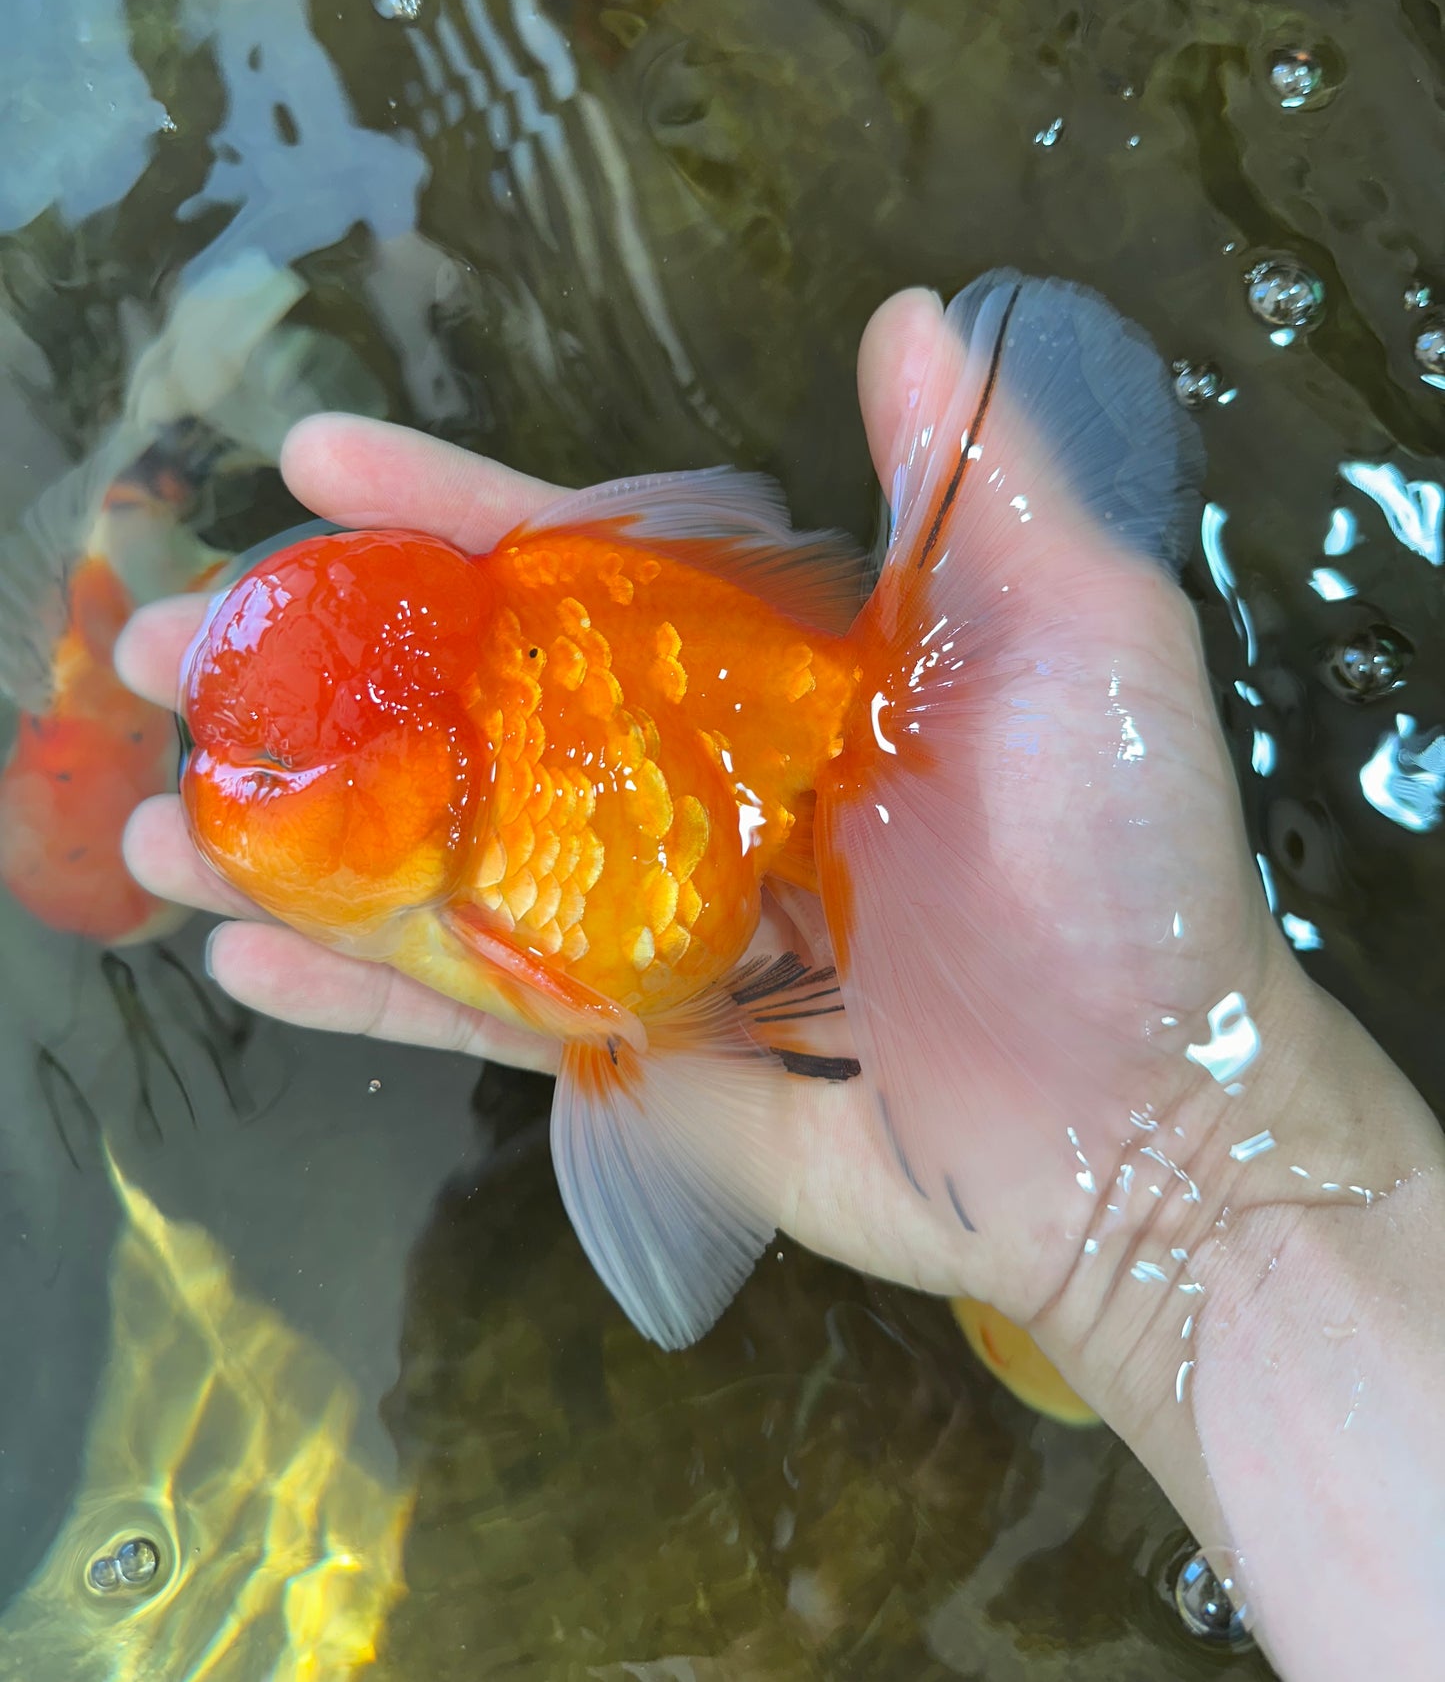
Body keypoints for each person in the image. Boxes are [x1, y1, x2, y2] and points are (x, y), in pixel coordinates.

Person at [115, 286, 1445, 1680]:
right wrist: (1186, 1187)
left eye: (280, 780)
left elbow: (617, 1027)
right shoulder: (453, 834)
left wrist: (1162, 1169)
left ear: (421, 785)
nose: (228, 795)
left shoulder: (516, 875)